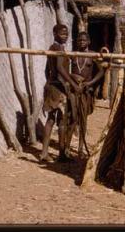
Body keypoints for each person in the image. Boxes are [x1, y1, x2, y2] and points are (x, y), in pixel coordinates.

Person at [40, 24, 81, 162]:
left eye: (66, 34)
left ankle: (54, 153)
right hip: (58, 88)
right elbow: (58, 68)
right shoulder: (56, 48)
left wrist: (50, 81)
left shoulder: (56, 48)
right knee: (57, 120)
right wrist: (73, 84)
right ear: (55, 33)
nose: (65, 36)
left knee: (56, 120)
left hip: (55, 86)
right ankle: (51, 154)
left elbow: (48, 70)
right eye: (62, 34)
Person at [67, 31, 105, 159]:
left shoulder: (93, 55)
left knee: (83, 119)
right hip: (73, 90)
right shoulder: (73, 55)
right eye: (79, 40)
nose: (81, 42)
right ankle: (66, 147)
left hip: (85, 91)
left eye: (84, 40)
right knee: (72, 117)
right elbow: (65, 71)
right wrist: (73, 79)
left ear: (88, 42)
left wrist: (90, 83)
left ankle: (80, 149)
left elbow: (101, 72)